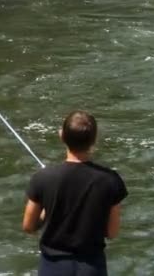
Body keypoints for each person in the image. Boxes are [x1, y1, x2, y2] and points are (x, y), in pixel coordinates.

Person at [22, 110, 128, 276]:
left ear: (62, 136)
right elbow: (112, 232)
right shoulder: (110, 180)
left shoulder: (42, 178)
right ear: (94, 140)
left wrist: (45, 214)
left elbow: (29, 226)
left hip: (53, 267)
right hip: (92, 267)